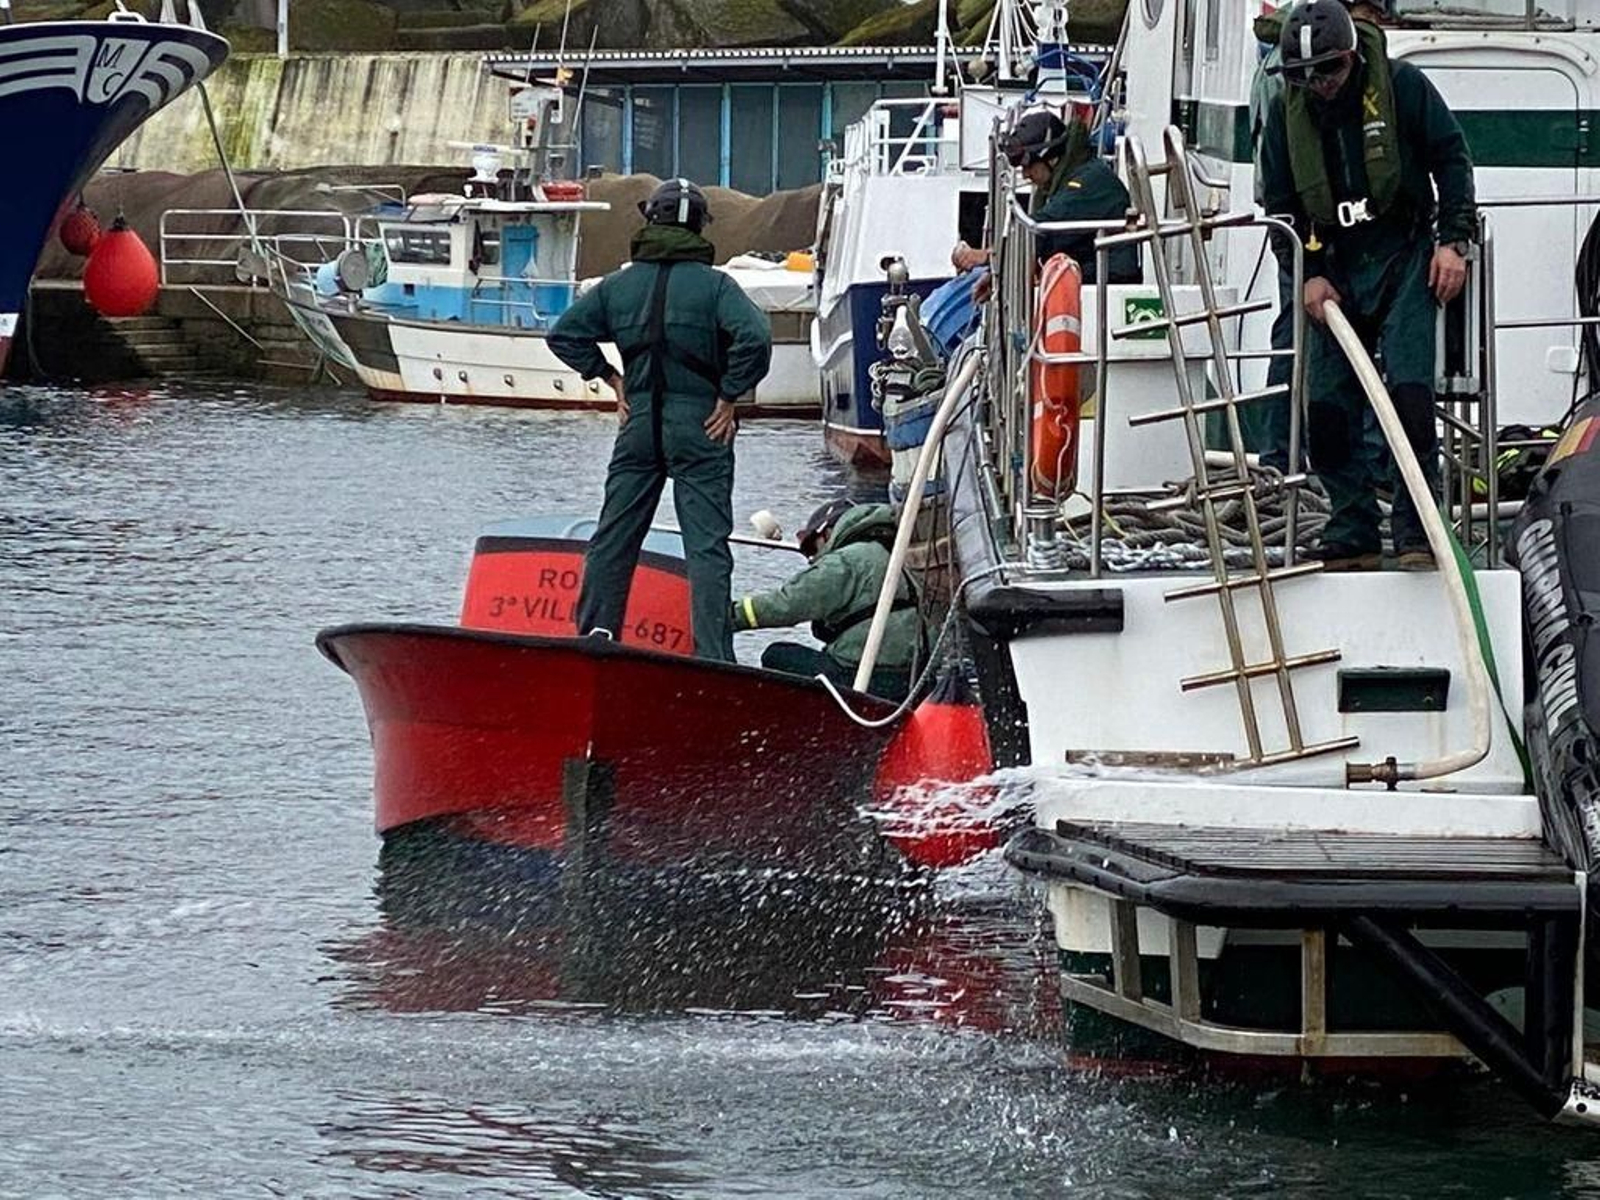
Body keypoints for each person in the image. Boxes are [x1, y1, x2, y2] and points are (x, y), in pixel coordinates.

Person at [1258, 0, 1474, 571]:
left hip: (1402, 255)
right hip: (1332, 266)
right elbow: (1280, 208)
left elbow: (1451, 160)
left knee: (1408, 394)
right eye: (1304, 76)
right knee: (1326, 405)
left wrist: (1453, 241)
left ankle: (1415, 526)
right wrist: (1307, 274)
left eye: (1327, 71)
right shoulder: (1285, 117)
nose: (1318, 85)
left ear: (1351, 59)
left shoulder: (1404, 88)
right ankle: (1350, 521)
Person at [548, 177, 773, 660]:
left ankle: (595, 642)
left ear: (652, 220)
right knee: (707, 550)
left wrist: (610, 378)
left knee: (614, 538)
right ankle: (714, 660)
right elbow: (755, 337)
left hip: (639, 423)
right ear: (698, 227)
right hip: (702, 425)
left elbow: (563, 334)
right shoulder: (716, 287)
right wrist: (730, 395)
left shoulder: (618, 285)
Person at [1245, 0, 1394, 470]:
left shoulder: (1281, 54)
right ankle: (1293, 457)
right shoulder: (1307, 70)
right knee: (1302, 336)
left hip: (1313, 229)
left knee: (1299, 340)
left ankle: (1282, 456)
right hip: (1310, 233)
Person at [730, 500, 925, 701]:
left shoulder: (847, 560)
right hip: (912, 678)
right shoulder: (897, 554)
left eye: (813, 548)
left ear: (828, 533)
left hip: (865, 678)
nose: (813, 558)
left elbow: (788, 604)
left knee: (777, 655)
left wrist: (729, 616)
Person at [951, 108, 1142, 290]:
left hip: (1108, 285)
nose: (1026, 175)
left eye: (1029, 166)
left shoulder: (1087, 184)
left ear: (1050, 159)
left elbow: (1043, 229)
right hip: (1093, 277)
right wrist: (998, 276)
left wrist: (986, 256)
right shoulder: (1075, 174)